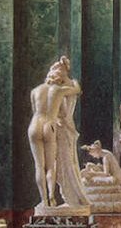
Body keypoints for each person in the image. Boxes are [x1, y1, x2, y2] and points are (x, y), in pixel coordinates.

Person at [28, 56, 87, 210]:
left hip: (34, 125)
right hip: (49, 125)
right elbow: (76, 90)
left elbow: (35, 110)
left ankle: (44, 201)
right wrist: (71, 79)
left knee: (39, 166)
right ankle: (51, 197)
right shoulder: (59, 91)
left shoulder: (35, 91)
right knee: (50, 166)